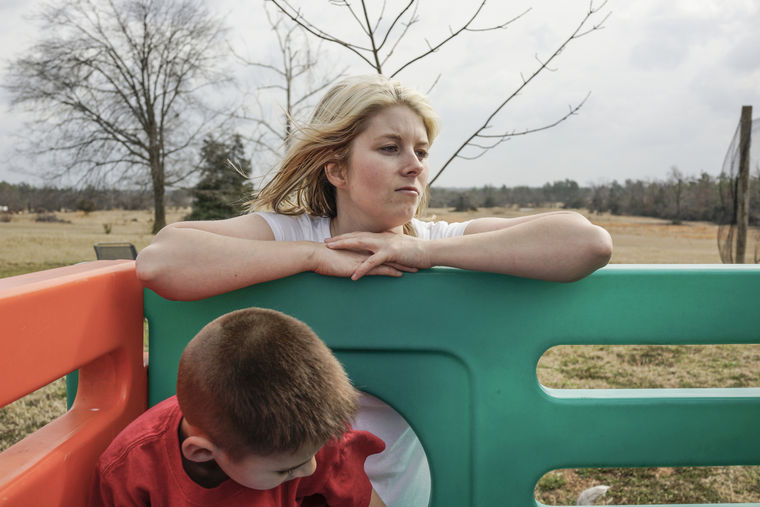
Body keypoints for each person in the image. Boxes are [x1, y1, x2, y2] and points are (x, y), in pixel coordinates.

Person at [135, 74, 613, 506]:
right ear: (337, 170)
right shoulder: (292, 235)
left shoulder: (436, 240)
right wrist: (313, 256)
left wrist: (423, 255)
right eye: (390, 149)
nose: (414, 167)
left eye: (421, 152)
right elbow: (162, 261)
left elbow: (586, 243)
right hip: (276, 489)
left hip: (399, 495)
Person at [89, 307, 386, 507]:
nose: (309, 469)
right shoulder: (129, 471)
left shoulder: (309, 441)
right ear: (202, 451)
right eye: (286, 470)